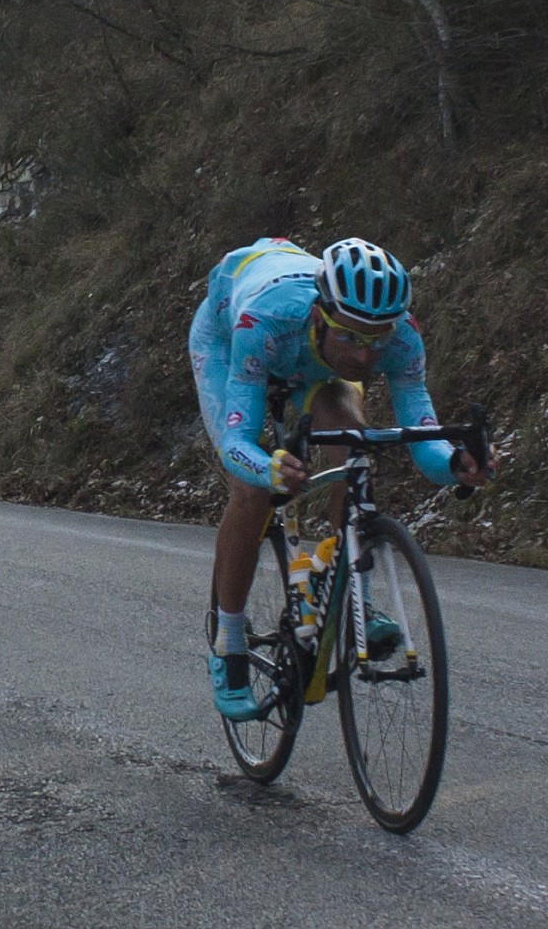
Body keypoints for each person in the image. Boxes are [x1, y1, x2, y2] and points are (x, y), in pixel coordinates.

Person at [189, 237, 493, 721]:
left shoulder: (401, 337)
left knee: (354, 439)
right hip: (233, 341)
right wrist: (268, 467)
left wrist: (457, 463)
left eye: (377, 340)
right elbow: (236, 442)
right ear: (319, 315)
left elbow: (422, 434)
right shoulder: (264, 322)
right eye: (351, 337)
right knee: (252, 491)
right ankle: (228, 645)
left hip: (311, 361)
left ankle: (355, 599)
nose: (365, 357)